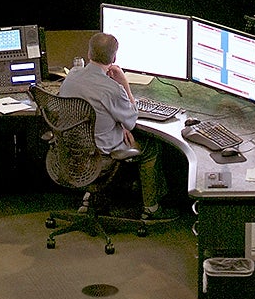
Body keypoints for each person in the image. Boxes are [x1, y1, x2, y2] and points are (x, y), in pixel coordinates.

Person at [59, 32, 175, 221]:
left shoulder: (72, 76)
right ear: (114, 58)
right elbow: (131, 120)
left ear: (89, 53)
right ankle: (151, 209)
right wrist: (123, 84)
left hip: (72, 153)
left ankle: (90, 197)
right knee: (151, 148)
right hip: (101, 157)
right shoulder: (112, 89)